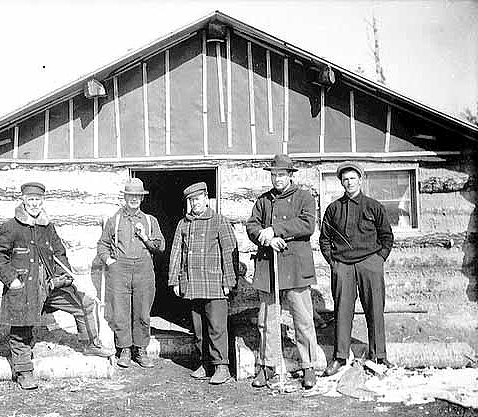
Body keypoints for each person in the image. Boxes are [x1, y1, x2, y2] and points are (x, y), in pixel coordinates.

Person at [0, 182, 112, 390]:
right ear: (24, 201)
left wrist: (63, 276)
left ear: (42, 201)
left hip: (50, 285)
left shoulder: (48, 227)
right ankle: (24, 372)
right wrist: (12, 280)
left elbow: (59, 253)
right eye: (31, 199)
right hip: (24, 287)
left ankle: (91, 345)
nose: (34, 204)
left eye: (38, 199)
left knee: (85, 304)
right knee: (21, 328)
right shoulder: (11, 227)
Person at [245, 154, 318, 390]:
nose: (277, 179)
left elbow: (307, 225)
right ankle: (268, 366)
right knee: (267, 320)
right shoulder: (263, 201)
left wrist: (276, 230)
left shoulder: (304, 197)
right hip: (270, 266)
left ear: (290, 175)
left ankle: (308, 366)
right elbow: (251, 226)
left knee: (303, 319)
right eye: (274, 175)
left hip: (295, 265)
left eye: (281, 175)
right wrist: (266, 240)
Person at [319, 162, 394, 376]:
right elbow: (325, 239)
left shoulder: (373, 206)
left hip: (370, 263)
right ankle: (340, 357)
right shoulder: (334, 208)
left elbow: (387, 236)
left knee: (375, 308)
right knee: (342, 310)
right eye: (345, 179)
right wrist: (334, 262)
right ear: (341, 182)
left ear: (360, 180)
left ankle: (378, 355)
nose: (349, 182)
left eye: (353, 178)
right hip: (343, 266)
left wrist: (379, 259)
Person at [168, 182, 238, 385]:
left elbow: (229, 252)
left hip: (215, 284)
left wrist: (229, 281)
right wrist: (175, 280)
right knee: (199, 329)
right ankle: (205, 364)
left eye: (198, 199)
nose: (194, 203)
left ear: (206, 199)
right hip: (192, 285)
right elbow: (176, 253)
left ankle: (221, 367)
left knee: (217, 327)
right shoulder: (184, 223)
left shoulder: (219, 221)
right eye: (191, 200)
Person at [96, 178, 165, 368]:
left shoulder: (150, 221)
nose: (133, 199)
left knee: (143, 311)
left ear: (142, 199)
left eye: (137, 196)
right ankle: (124, 349)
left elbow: (160, 247)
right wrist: (110, 261)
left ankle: (140, 349)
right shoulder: (115, 220)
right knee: (121, 311)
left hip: (144, 269)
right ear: (125, 197)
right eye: (130, 195)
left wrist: (144, 236)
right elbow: (102, 244)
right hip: (120, 270)